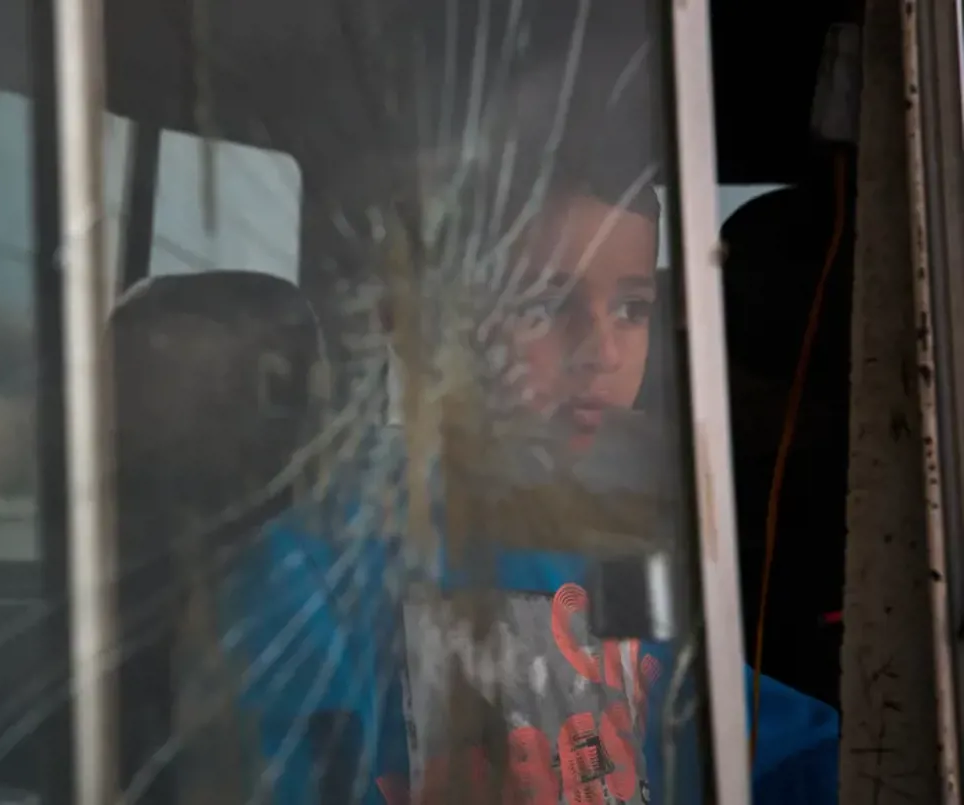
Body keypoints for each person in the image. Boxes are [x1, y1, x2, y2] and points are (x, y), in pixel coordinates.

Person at [212, 169, 840, 805]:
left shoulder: (614, 545)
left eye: (632, 310)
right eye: (541, 306)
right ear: (421, 328)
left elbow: (751, 741)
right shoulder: (316, 573)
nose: (603, 352)